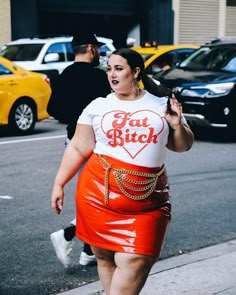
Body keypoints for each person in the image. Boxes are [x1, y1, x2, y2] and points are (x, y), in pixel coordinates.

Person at [51, 48, 194, 294]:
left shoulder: (162, 104)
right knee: (105, 259)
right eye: (109, 69)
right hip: (97, 196)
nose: (112, 74)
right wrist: (59, 184)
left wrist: (177, 125)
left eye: (119, 68)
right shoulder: (98, 106)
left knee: (134, 260)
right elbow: (78, 147)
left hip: (148, 203)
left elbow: (182, 146)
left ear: (135, 71)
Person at [47, 32, 111, 267]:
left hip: (72, 140)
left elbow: (52, 108)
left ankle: (89, 252)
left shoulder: (65, 76)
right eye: (98, 50)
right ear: (92, 50)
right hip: (97, 144)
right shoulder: (98, 78)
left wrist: (73, 118)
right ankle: (67, 234)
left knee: (93, 196)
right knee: (101, 198)